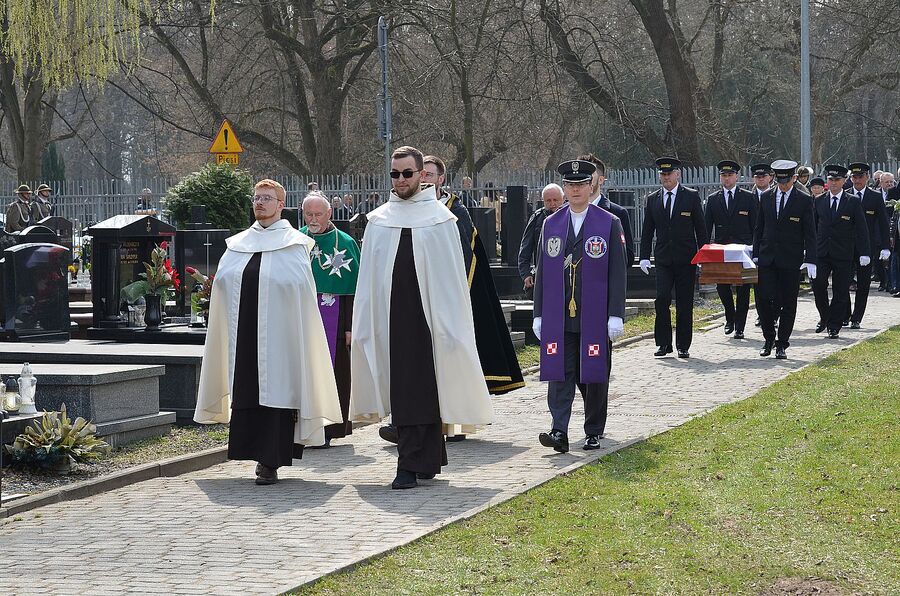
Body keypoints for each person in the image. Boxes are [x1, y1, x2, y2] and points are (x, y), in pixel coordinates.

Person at [350, 146, 492, 490]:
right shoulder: (379, 221)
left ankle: (411, 464)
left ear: (420, 175)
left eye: (407, 173)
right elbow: (369, 280)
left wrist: (451, 324)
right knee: (405, 388)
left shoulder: (440, 220)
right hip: (391, 319)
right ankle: (423, 459)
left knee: (424, 389)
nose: (400, 180)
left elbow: (451, 279)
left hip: (430, 322)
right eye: (394, 174)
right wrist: (365, 322)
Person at [194, 179, 342, 485]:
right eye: (257, 198)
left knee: (277, 393)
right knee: (247, 389)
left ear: (280, 205)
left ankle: (270, 460)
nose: (260, 202)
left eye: (267, 198)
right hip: (243, 333)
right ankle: (250, 450)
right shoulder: (237, 245)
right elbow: (224, 284)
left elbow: (299, 290)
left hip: (280, 336)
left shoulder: (295, 245)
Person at [532, 159, 627, 452]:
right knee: (559, 372)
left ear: (591, 186)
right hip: (559, 315)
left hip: (594, 315)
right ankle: (558, 430)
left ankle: (593, 430)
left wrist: (616, 314)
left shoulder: (608, 222)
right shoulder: (551, 223)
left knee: (593, 374)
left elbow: (618, 272)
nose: (575, 190)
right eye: (570, 185)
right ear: (564, 188)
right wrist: (538, 313)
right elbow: (542, 271)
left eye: (581, 184)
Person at [299, 191, 361, 447]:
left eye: (318, 214)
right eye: (308, 214)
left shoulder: (345, 243)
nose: (313, 219)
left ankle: (328, 428)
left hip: (334, 318)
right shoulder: (296, 240)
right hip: (301, 315)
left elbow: (354, 290)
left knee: (335, 374)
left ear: (329, 213)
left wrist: (350, 327)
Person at [639, 157, 708, 358]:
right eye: (663, 174)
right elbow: (647, 230)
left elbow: (701, 228)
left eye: (669, 174)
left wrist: (703, 255)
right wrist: (644, 256)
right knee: (662, 298)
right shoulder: (653, 199)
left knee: (684, 302)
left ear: (678, 174)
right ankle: (663, 343)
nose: (666, 177)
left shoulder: (691, 196)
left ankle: (683, 345)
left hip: (686, 259)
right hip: (663, 258)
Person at [753, 160, 817, 359]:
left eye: (786, 181)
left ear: (793, 178)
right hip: (767, 257)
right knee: (763, 299)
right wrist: (756, 253)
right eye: (779, 181)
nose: (783, 185)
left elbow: (810, 232)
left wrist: (811, 259)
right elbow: (759, 227)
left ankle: (782, 344)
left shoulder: (804, 200)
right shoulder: (766, 197)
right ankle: (768, 338)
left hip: (790, 258)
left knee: (788, 302)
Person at [812, 165, 870, 339]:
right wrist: (808, 249)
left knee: (840, 290)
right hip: (822, 252)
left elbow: (861, 228)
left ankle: (834, 326)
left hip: (843, 253)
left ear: (844, 181)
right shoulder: (819, 200)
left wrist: (864, 252)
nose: (833, 183)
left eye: (837, 179)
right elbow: (812, 227)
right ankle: (825, 316)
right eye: (831, 179)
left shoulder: (852, 201)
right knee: (818, 285)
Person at [704, 160, 758, 339]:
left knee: (743, 288)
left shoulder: (748, 197)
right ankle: (730, 316)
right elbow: (706, 227)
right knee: (722, 285)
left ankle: (740, 326)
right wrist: (704, 250)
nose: (726, 178)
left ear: (736, 176)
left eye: (730, 175)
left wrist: (755, 249)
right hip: (722, 249)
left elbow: (756, 225)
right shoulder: (713, 199)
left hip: (743, 250)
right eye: (723, 175)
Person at [845, 163, 890, 328]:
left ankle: (856, 317)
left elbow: (883, 223)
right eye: (854, 177)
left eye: (860, 177)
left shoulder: (875, 197)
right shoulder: (845, 195)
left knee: (863, 284)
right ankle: (845, 314)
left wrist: (885, 246)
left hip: (867, 247)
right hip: (846, 246)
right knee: (843, 282)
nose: (857, 180)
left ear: (867, 177)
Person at [581, 153, 635, 266]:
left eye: (590, 175)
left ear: (601, 180)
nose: (585, 179)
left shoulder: (618, 213)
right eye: (582, 175)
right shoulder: (565, 213)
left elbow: (628, 256)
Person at [519, 184, 564, 295]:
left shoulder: (572, 217)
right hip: (544, 273)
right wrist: (526, 274)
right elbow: (526, 248)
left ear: (563, 199)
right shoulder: (537, 218)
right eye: (548, 200)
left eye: (555, 200)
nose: (552, 204)